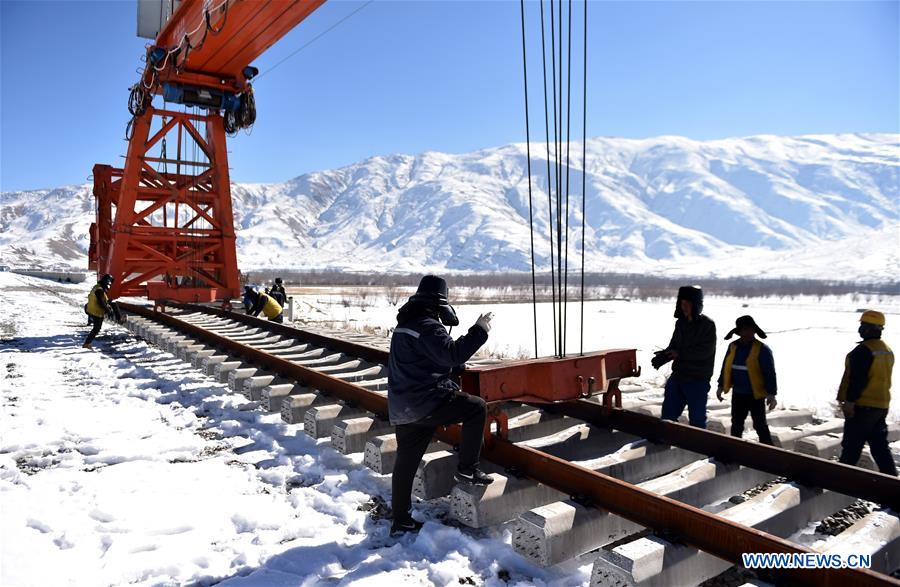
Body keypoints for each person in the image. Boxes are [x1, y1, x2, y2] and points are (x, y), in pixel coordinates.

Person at [387, 275, 494, 536]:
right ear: (439, 304)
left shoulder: (405, 327)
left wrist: (452, 365)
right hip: (425, 403)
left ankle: (400, 520)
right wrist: (480, 330)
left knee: (405, 465)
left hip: (402, 408)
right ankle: (468, 470)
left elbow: (429, 358)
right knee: (476, 407)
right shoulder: (428, 326)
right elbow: (452, 353)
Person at [836, 310, 896, 476]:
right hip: (881, 406)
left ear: (870, 328)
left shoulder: (863, 351)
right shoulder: (886, 350)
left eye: (863, 325)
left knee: (851, 446)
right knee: (879, 447)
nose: (860, 329)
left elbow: (858, 379)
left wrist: (849, 402)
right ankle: (892, 483)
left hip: (863, 406)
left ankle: (840, 481)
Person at [651, 285, 717, 428]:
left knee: (697, 420)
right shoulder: (680, 323)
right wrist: (663, 357)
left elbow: (704, 351)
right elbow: (674, 345)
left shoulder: (707, 325)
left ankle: (695, 449)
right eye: (682, 303)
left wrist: (679, 354)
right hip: (679, 376)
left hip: (697, 379)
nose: (684, 307)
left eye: (687, 304)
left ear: (696, 304)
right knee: (668, 415)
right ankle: (666, 442)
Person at [716, 315, 777, 445]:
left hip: (756, 395)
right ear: (739, 331)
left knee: (760, 425)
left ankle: (770, 453)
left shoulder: (763, 349)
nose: (749, 332)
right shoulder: (733, 347)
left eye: (751, 329)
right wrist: (720, 386)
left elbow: (770, 373)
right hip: (738, 394)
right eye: (745, 329)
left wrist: (771, 394)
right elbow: (725, 367)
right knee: (736, 425)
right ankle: (734, 451)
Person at [83, 273, 121, 349]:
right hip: (96, 311)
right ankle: (87, 344)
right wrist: (108, 311)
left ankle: (87, 343)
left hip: (90, 309)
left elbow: (102, 301)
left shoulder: (97, 287)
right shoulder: (99, 291)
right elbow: (101, 302)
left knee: (112, 303)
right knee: (96, 328)